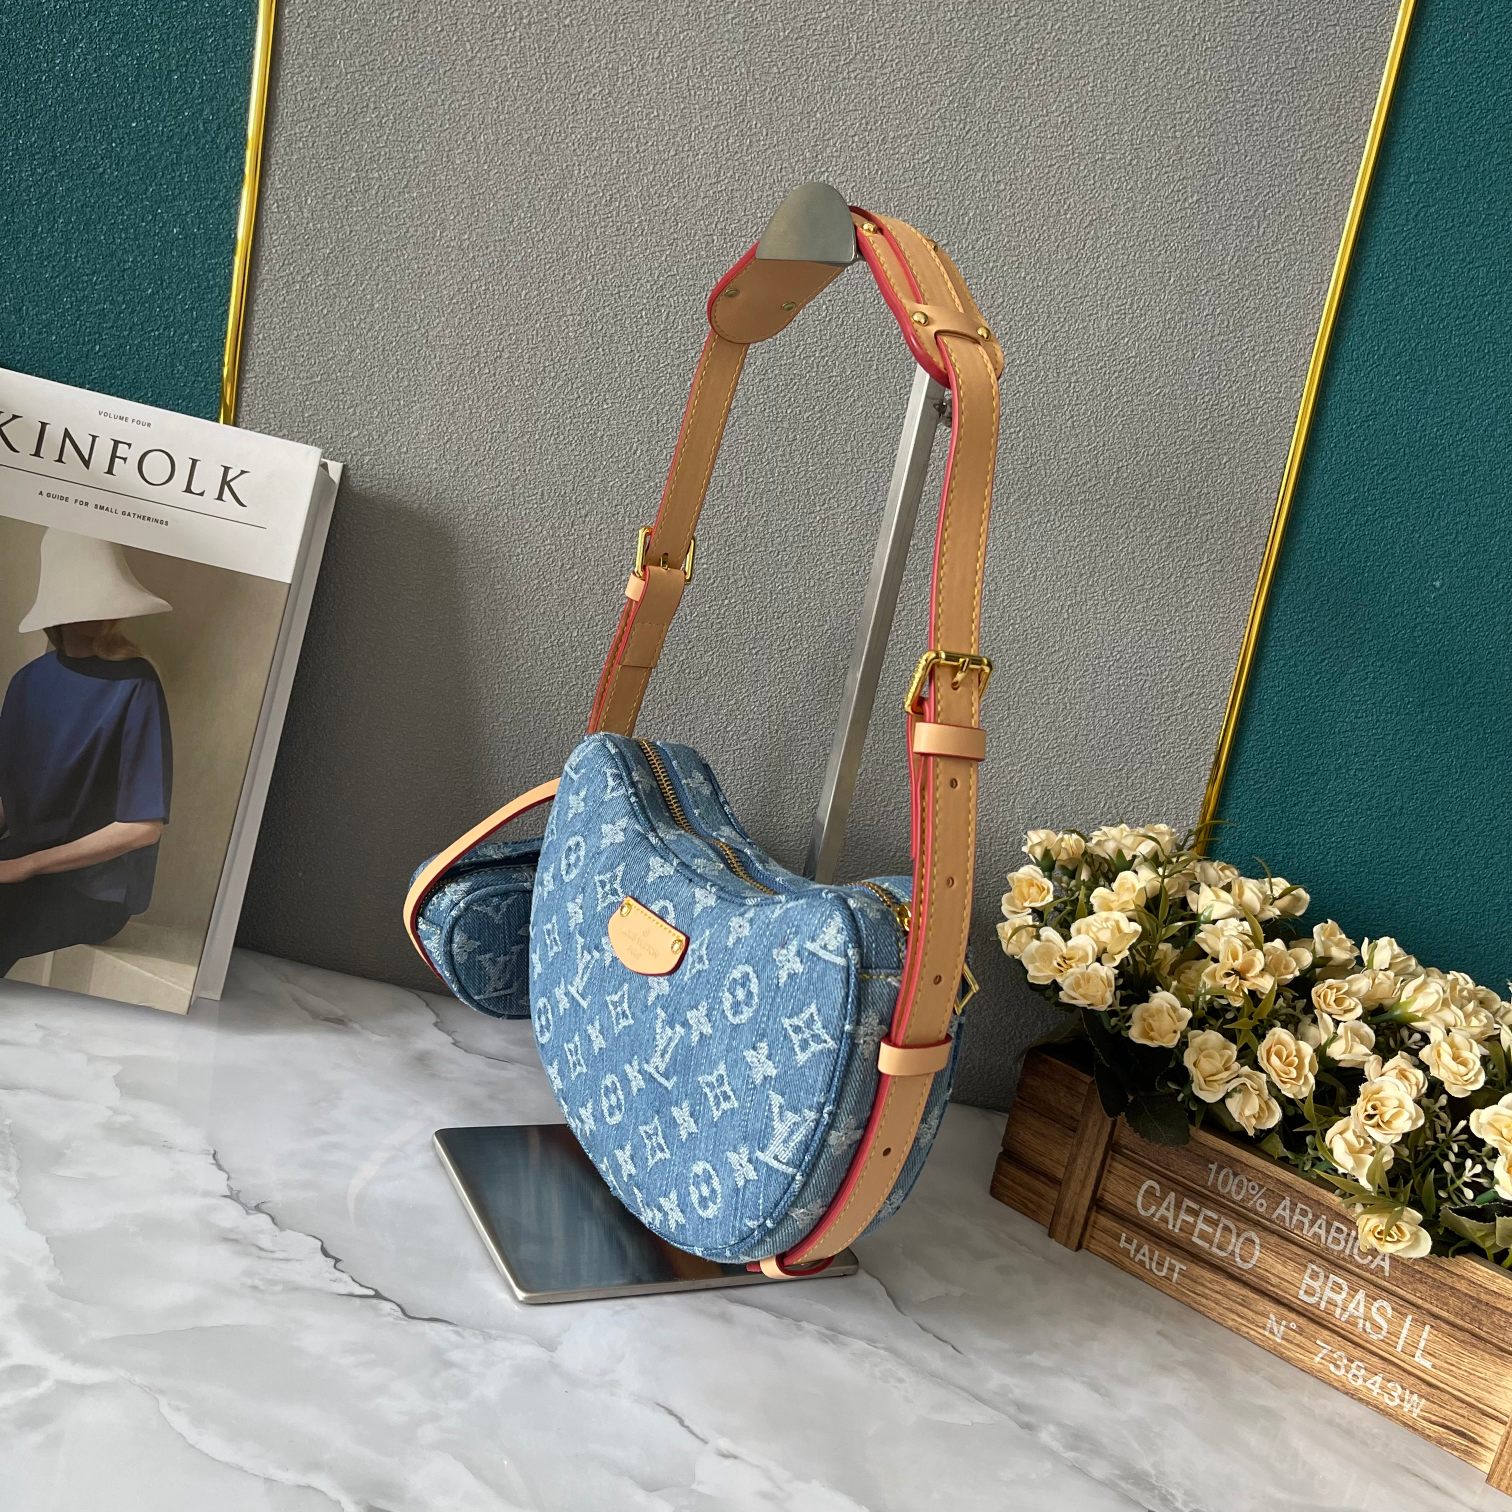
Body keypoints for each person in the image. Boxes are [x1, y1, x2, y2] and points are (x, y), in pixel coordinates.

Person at [0, 528, 174, 978]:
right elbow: (10, 801)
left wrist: (25, 866)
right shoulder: (26, 683)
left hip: (93, 891)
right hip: (18, 864)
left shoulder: (136, 683)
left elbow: (142, 827)